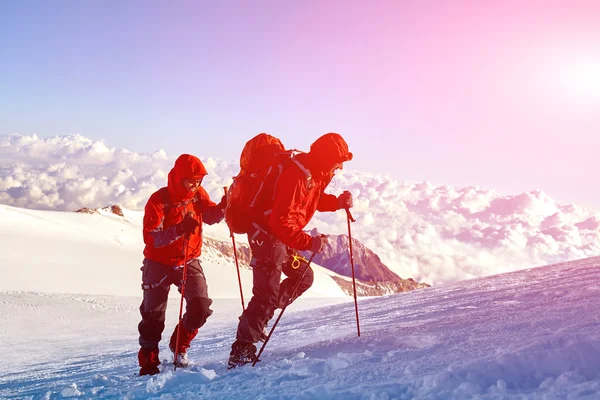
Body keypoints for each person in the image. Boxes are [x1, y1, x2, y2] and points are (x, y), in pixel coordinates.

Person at [228, 132, 354, 368]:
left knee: (302, 277)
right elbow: (280, 222)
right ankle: (242, 350)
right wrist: (308, 242)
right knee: (266, 295)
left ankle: (258, 321)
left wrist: (337, 202)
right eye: (338, 162)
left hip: (279, 237)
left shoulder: (315, 173)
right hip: (267, 236)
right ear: (327, 158)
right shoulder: (298, 175)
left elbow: (311, 201)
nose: (339, 167)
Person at [137, 154, 226, 376]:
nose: (195, 185)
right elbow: (152, 238)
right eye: (191, 181)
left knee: (200, 308)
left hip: (188, 259)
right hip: (158, 263)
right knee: (152, 318)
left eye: (199, 181)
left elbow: (210, 215)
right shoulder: (159, 200)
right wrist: (179, 229)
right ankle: (149, 365)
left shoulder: (198, 195)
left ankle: (179, 345)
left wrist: (225, 206)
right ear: (179, 178)